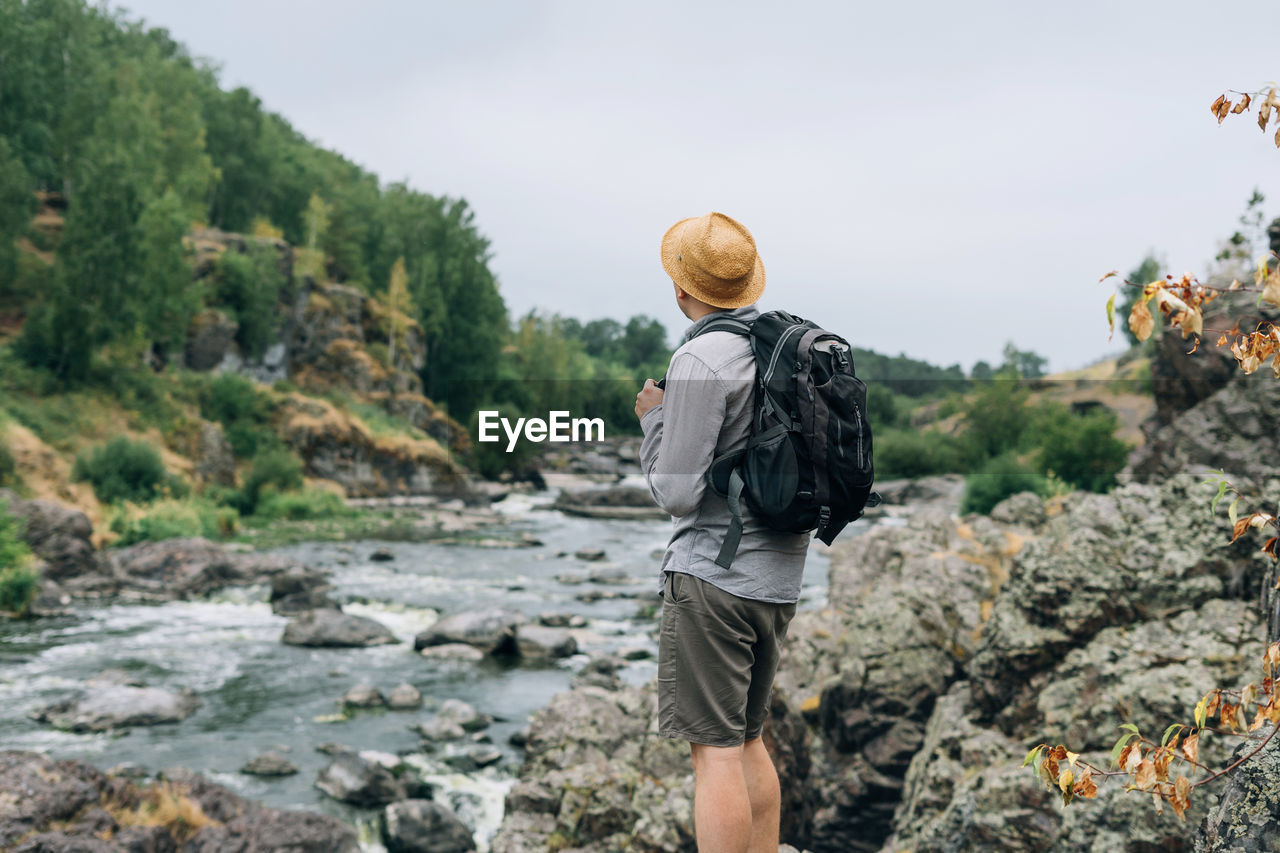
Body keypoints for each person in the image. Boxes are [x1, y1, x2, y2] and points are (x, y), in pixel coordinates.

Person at [635, 211, 809, 853]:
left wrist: (653, 421)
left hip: (712, 581)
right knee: (748, 739)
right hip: (779, 578)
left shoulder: (702, 358)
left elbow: (676, 492)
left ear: (682, 290)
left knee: (712, 754)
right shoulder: (782, 344)